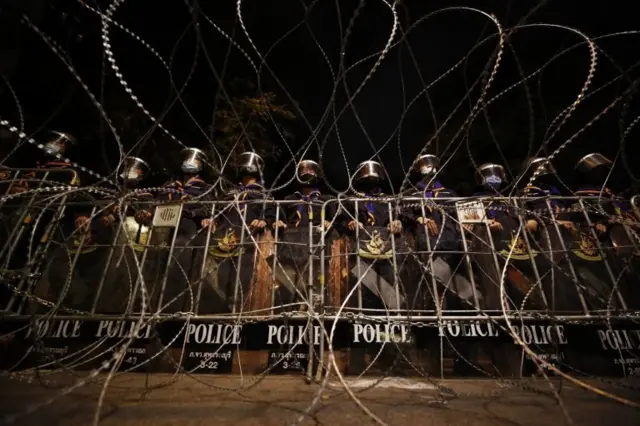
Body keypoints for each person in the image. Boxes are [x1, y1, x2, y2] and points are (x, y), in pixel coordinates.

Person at [138, 147, 212, 314]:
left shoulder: (204, 188)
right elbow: (156, 202)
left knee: (178, 267)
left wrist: (193, 213)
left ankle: (173, 311)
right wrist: (148, 212)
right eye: (188, 158)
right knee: (154, 266)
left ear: (201, 166)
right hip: (161, 229)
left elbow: (207, 209)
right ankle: (147, 309)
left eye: (196, 160)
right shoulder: (169, 186)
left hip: (186, 229)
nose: (190, 162)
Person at [201, 152, 276, 313]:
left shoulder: (264, 193)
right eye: (243, 162)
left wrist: (265, 221)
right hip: (225, 236)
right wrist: (212, 219)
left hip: (248, 235)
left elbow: (271, 213)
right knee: (222, 275)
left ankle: (238, 310)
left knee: (242, 275)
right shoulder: (230, 192)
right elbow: (220, 211)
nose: (247, 166)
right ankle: (222, 310)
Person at [405, 154, 481, 312]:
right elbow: (402, 212)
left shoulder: (448, 193)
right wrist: (419, 219)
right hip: (426, 240)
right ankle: (433, 312)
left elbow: (463, 211)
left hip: (450, 239)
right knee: (432, 279)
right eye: (424, 164)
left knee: (455, 276)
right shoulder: (413, 193)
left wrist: (467, 223)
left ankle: (459, 312)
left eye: (431, 164)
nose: (428, 167)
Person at [466, 163, 544, 312]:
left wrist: (533, 221)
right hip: (491, 245)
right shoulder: (474, 200)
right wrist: (484, 222)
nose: (494, 178)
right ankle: (500, 310)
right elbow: (467, 224)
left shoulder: (511, 199)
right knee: (497, 281)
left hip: (518, 242)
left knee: (527, 280)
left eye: (497, 174)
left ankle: (533, 309)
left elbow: (530, 215)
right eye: (489, 175)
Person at [569, 153, 637, 310]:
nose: (602, 174)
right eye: (597, 171)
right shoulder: (583, 193)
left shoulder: (609, 192)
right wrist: (599, 223)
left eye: (603, 170)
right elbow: (579, 216)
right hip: (602, 240)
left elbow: (623, 210)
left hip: (624, 235)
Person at [271, 160, 337, 312]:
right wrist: (279, 223)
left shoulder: (326, 200)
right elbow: (281, 218)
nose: (307, 173)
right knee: (292, 278)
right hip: (293, 243)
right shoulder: (288, 199)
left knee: (316, 277)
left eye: (311, 171)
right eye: (303, 171)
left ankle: (317, 308)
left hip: (318, 242)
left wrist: (329, 223)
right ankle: (291, 308)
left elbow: (335, 221)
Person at [519, 157, 583, 312]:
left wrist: (569, 218)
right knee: (556, 266)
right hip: (547, 232)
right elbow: (525, 214)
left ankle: (580, 304)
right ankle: (561, 307)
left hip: (571, 231)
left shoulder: (555, 190)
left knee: (575, 269)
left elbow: (566, 208)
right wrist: (541, 220)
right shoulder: (527, 192)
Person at [93, 156, 155, 314]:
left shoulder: (144, 195)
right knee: (99, 269)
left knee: (124, 272)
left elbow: (145, 212)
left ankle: (121, 306)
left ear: (141, 175)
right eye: (128, 167)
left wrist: (118, 215)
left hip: (128, 238)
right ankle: (95, 305)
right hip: (103, 238)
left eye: (135, 169)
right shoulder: (109, 191)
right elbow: (97, 207)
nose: (130, 171)